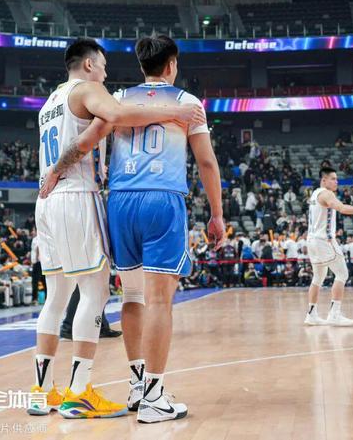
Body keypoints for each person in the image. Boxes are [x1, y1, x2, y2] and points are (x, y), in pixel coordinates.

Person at [32, 38, 205, 419]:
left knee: (56, 296)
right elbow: (116, 115)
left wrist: (58, 170)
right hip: (76, 194)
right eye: (104, 66)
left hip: (46, 202)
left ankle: (41, 392)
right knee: (94, 293)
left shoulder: (49, 102)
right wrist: (174, 109)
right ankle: (79, 393)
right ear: (89, 65)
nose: (106, 74)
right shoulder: (88, 89)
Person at [106, 35, 224, 423]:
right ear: (171, 65)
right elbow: (206, 163)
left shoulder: (119, 98)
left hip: (120, 199)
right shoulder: (187, 102)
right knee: (159, 300)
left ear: (143, 66)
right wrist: (217, 214)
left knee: (132, 295)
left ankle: (137, 385)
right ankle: (155, 397)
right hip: (162, 197)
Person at [304, 167, 353, 327]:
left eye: (337, 179)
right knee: (342, 274)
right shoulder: (326, 194)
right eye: (333, 178)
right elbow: (342, 208)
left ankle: (311, 315)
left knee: (318, 278)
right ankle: (334, 315)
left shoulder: (315, 193)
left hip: (312, 240)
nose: (336, 181)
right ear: (324, 180)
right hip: (323, 240)